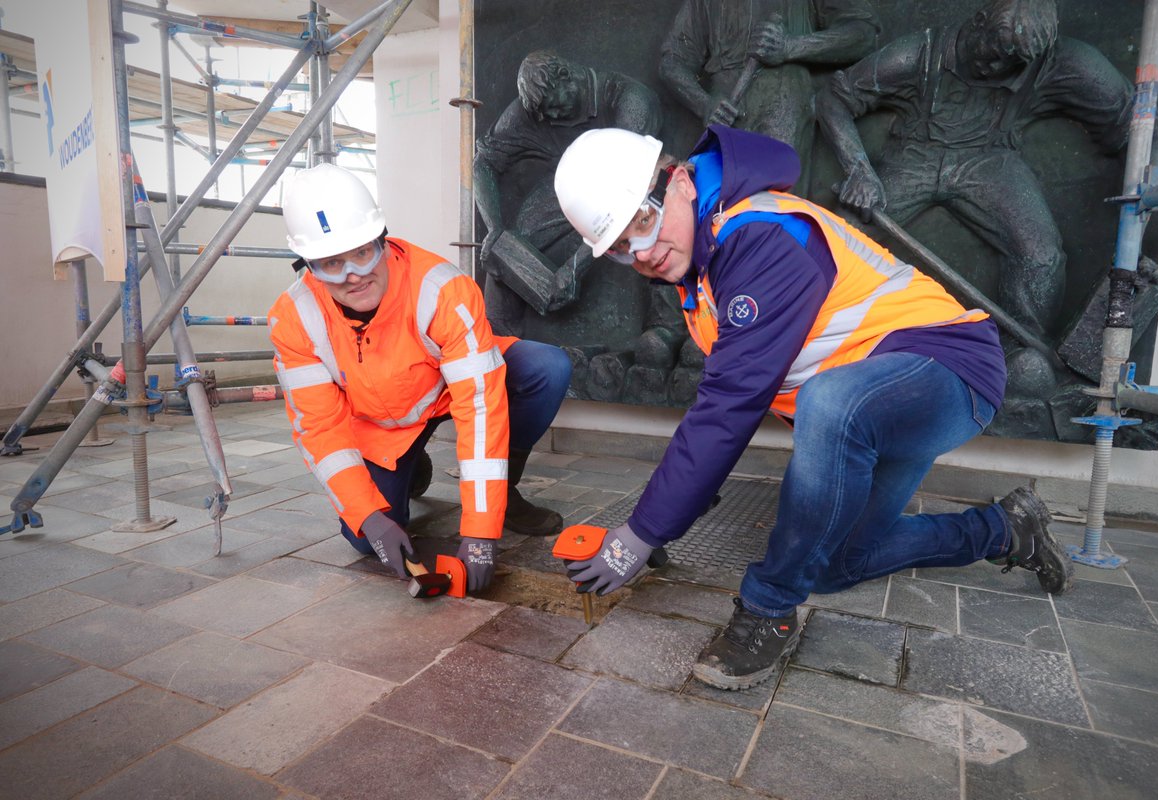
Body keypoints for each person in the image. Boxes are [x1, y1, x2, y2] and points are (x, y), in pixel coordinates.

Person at [553, 125, 1073, 690]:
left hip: (945, 371)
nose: (643, 254)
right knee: (833, 563)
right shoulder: (702, 260)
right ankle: (1004, 530)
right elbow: (739, 388)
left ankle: (769, 610)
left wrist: (643, 533)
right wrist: (676, 511)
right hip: (870, 406)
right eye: (621, 249)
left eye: (644, 224)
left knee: (830, 403)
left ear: (678, 180)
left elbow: (730, 405)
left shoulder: (757, 237)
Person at [269, 163, 571, 593]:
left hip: (447, 390)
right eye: (331, 263)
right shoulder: (293, 318)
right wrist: (372, 518)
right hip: (381, 425)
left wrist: (482, 532)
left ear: (383, 238)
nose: (353, 274)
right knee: (364, 538)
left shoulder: (441, 288)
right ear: (308, 266)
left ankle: (503, 495)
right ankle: (410, 470)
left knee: (546, 369)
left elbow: (480, 407)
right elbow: (320, 431)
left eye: (362, 252)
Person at [816, 0, 1142, 340]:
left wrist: (1144, 180)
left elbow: (1134, 122)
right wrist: (859, 170)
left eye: (1010, 63)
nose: (996, 66)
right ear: (979, 21)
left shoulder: (1061, 62)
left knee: (1041, 256)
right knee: (837, 234)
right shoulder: (915, 54)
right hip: (914, 156)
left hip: (990, 161)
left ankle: (1020, 355)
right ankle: (809, 324)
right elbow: (834, 98)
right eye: (993, 51)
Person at [474, 50, 662, 335]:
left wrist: (575, 266)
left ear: (566, 77)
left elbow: (625, 193)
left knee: (659, 226)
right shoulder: (536, 109)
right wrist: (496, 231)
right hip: (565, 189)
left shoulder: (631, 101)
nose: (548, 117)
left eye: (553, 106)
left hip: (633, 193)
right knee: (506, 247)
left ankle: (662, 329)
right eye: (541, 113)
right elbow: (483, 164)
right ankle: (497, 341)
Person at [659, 0, 879, 191]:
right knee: (722, 217)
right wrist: (703, 103)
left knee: (777, 211)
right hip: (726, 112)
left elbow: (863, 34)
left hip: (784, 102)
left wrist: (791, 46)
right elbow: (673, 60)